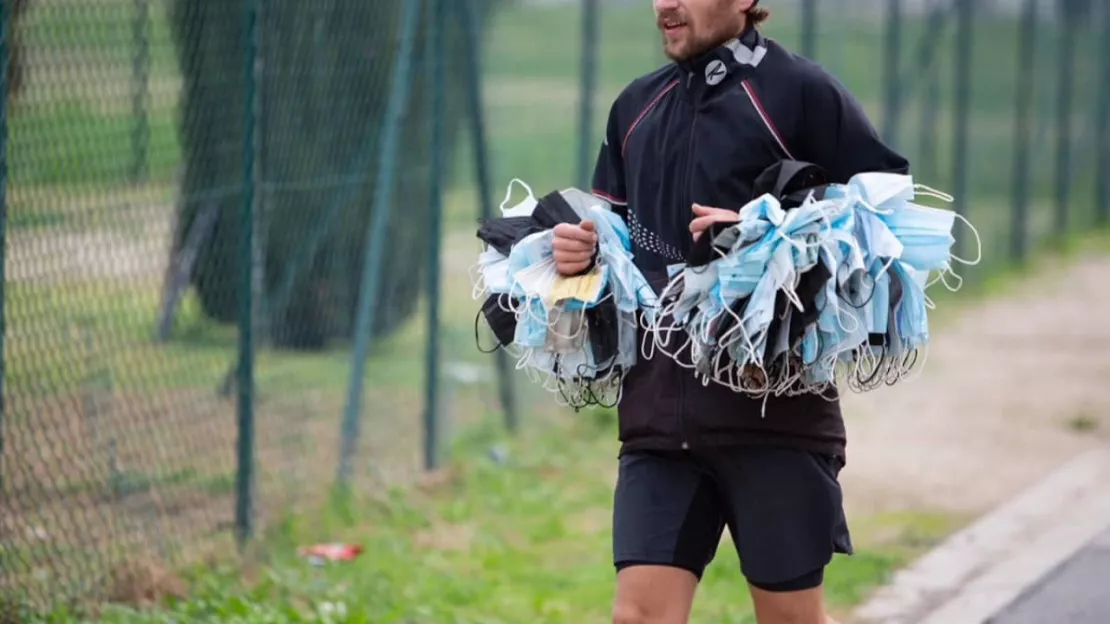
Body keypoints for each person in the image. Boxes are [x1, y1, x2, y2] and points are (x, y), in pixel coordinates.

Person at [551, 1, 910, 623]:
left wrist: (770, 234)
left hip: (774, 416)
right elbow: (611, 241)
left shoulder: (800, 91)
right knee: (637, 616)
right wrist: (573, 253)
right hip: (659, 420)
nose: (666, 3)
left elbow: (886, 220)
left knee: (790, 619)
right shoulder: (635, 107)